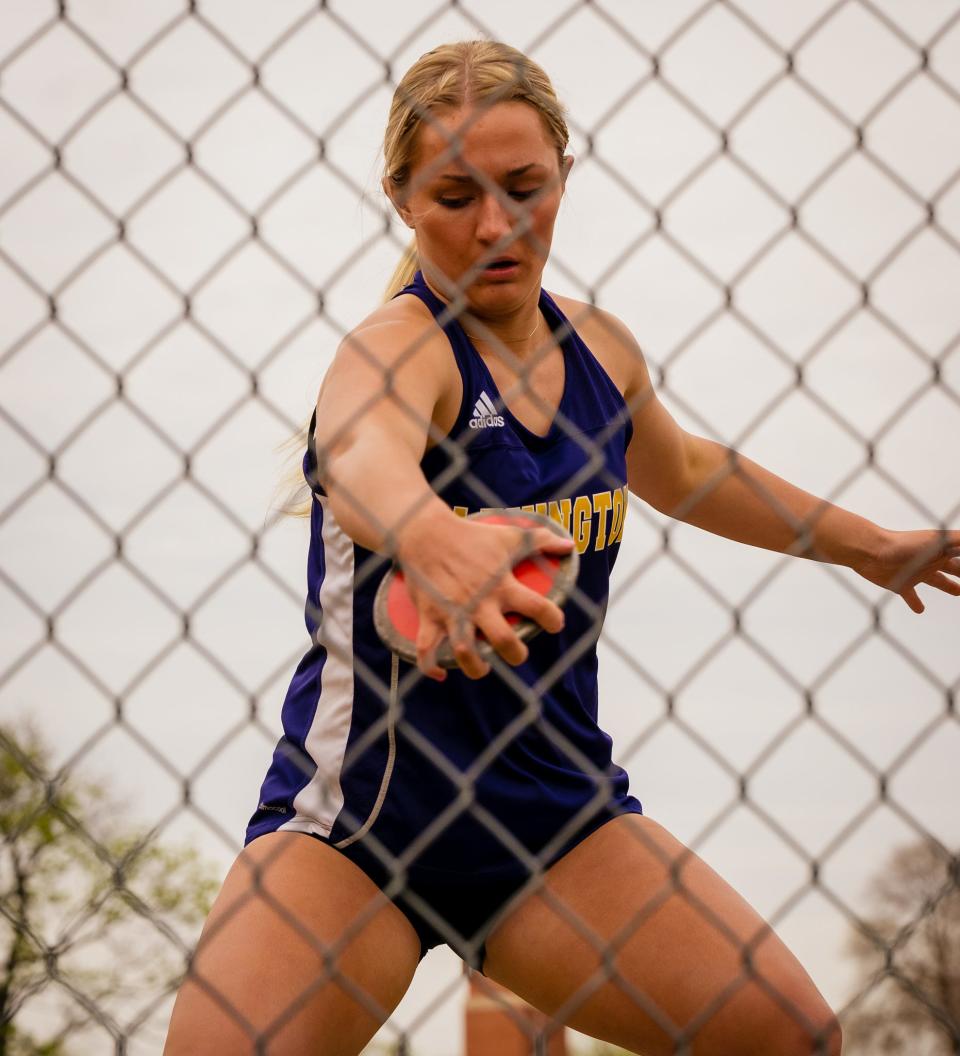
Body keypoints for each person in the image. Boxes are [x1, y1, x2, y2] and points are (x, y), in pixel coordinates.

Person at [164, 40, 960, 1056]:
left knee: (792, 1034)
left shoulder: (602, 351)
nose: (497, 225)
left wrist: (867, 543)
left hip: (551, 822)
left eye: (524, 187)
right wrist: (432, 541)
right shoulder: (399, 345)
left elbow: (684, 472)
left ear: (564, 178)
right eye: (455, 194)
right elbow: (362, 452)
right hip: (360, 826)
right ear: (403, 198)